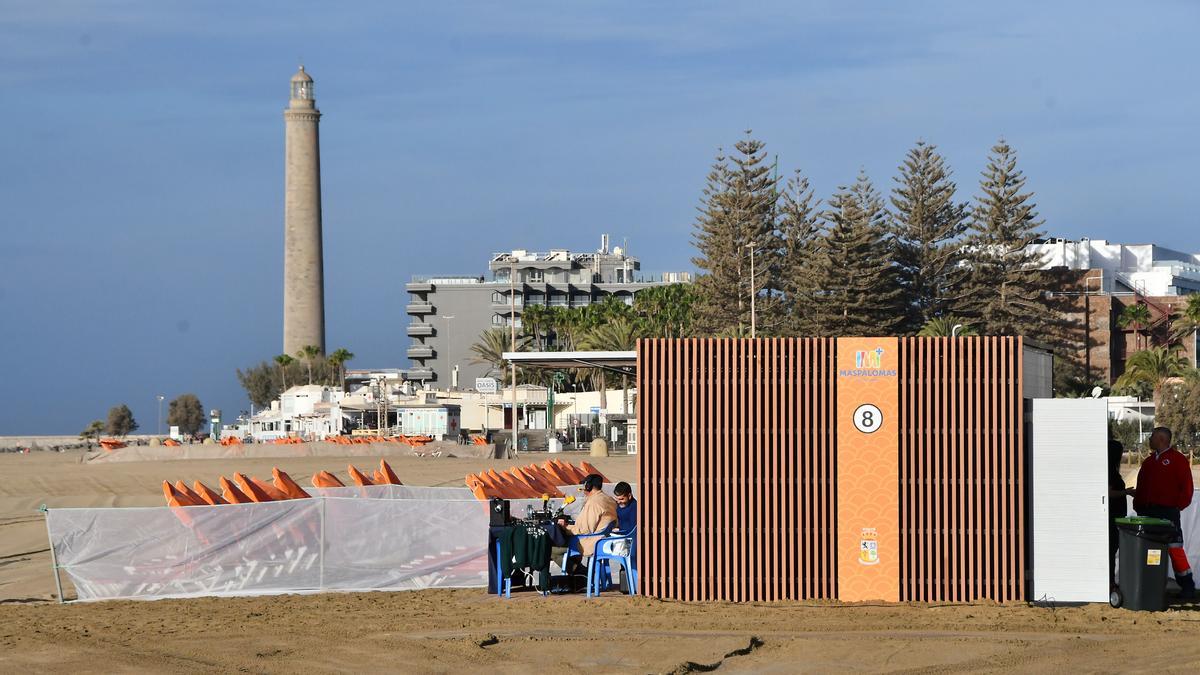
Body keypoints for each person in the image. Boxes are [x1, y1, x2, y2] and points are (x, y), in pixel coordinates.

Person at [1132, 426, 1195, 599]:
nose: (1149, 439)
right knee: (1150, 550)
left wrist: (1175, 507)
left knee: (1175, 549)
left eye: (1152, 436)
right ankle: (1151, 584)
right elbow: (1141, 486)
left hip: (1168, 513)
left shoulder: (1178, 460)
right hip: (1147, 512)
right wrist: (1139, 505)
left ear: (1161, 439)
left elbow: (1187, 489)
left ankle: (1187, 586)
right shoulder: (1148, 462)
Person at [555, 474, 617, 561]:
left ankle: (578, 571)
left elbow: (584, 529)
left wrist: (564, 527)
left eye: (584, 485)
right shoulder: (609, 499)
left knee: (553, 549)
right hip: (604, 539)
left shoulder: (593, 502)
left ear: (588, 486)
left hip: (592, 542)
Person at [1107, 434, 1128, 585]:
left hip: (1115, 517)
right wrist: (1126, 492)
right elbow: (1108, 493)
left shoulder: (1111, 471)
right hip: (1112, 517)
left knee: (1112, 550)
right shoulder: (1110, 473)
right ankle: (1110, 582)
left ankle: (1111, 581)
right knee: (1110, 550)